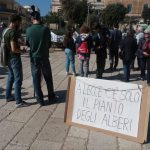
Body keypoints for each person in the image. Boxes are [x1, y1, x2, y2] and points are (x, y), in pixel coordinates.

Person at [26, 11, 57, 106]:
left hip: (34, 58)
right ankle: (51, 96)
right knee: (48, 78)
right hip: (44, 57)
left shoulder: (28, 30)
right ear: (40, 19)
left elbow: (28, 44)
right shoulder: (46, 29)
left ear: (32, 19)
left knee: (36, 79)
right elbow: (49, 44)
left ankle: (40, 100)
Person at [5, 14, 28, 107]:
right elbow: (14, 49)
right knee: (18, 79)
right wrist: (22, 51)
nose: (20, 24)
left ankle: (8, 96)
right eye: (19, 22)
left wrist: (19, 42)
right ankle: (18, 101)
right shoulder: (12, 32)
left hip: (8, 58)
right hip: (14, 58)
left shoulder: (5, 31)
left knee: (11, 77)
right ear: (15, 22)